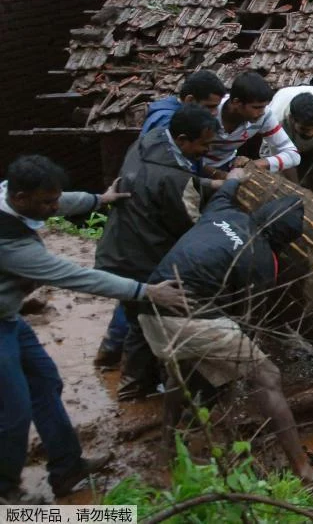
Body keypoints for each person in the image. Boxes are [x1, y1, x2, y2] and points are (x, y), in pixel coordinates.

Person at [0, 155, 185, 501]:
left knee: (46, 383)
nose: (55, 206)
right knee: (14, 411)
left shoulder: (10, 196)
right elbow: (76, 276)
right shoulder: (10, 243)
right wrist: (144, 291)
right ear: (21, 198)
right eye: (47, 202)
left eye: (55, 198)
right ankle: (7, 492)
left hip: (9, 318)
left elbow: (60, 201)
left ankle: (67, 467)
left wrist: (98, 200)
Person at [137, 177, 313, 484]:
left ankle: (167, 448)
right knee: (268, 376)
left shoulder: (224, 212)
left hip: (150, 305)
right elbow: (249, 324)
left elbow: (226, 188)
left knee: (182, 369)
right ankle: (304, 470)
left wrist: (236, 177)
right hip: (188, 316)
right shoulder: (263, 261)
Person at [93, 105, 220, 401]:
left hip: (117, 248)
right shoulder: (175, 179)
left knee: (135, 313)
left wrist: (208, 184)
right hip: (139, 259)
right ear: (184, 139)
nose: (208, 150)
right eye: (204, 144)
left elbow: (163, 184)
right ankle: (132, 391)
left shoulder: (147, 142)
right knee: (147, 319)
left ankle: (111, 359)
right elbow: (192, 227)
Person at [202, 71, 300, 177]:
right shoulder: (209, 111)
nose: (262, 112)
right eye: (256, 107)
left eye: (263, 107)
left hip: (227, 165)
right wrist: (216, 174)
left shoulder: (264, 116)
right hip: (193, 167)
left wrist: (256, 164)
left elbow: (293, 155)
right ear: (237, 102)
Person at [261, 86, 313, 195]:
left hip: (298, 132)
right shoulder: (276, 120)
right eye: (305, 129)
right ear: (291, 118)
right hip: (279, 137)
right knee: (278, 180)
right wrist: (299, 193)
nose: (311, 133)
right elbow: (285, 163)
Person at [141, 70, 226, 136]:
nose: (215, 113)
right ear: (190, 100)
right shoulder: (167, 122)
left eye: (216, 107)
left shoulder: (174, 112)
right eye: (209, 107)